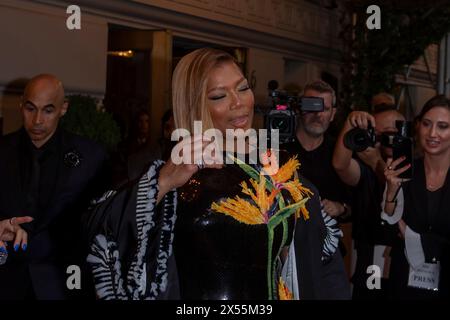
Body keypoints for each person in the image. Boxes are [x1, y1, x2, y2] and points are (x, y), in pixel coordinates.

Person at [86, 48, 340, 300]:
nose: (238, 103)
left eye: (242, 88)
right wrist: (163, 181)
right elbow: (102, 230)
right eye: (219, 96)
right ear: (194, 104)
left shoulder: (275, 166)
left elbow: (316, 254)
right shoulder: (174, 171)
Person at [0, 74, 108, 299]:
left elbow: (105, 223)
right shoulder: (2, 151)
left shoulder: (91, 156)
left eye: (48, 110)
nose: (37, 120)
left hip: (66, 281)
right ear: (21, 105)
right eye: (30, 109)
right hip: (7, 279)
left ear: (63, 108)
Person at [283, 80, 351, 299]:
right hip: (285, 255)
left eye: (325, 108)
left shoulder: (341, 154)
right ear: (300, 108)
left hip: (328, 259)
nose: (318, 114)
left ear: (333, 114)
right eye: (312, 105)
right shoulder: (278, 148)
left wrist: (341, 208)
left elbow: (359, 204)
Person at [332, 105, 405, 299]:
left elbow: (399, 190)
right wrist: (350, 122)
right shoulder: (365, 168)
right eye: (375, 134)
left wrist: (376, 163)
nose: (380, 141)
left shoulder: (415, 167)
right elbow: (340, 164)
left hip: (402, 261)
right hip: (368, 259)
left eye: (388, 134)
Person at [382, 95, 450, 299]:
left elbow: (402, 228)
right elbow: (388, 222)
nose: (432, 133)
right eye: (427, 124)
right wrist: (391, 191)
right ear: (418, 127)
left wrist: (413, 238)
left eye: (443, 126)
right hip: (405, 280)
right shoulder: (405, 170)